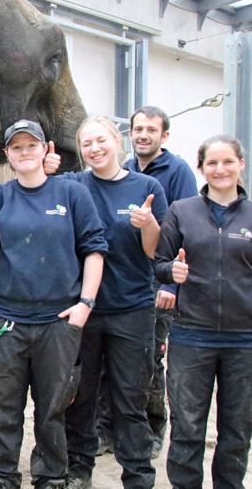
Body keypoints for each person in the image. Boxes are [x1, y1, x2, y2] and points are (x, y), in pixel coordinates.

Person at [0, 120, 107, 489]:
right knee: (3, 407)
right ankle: (1, 475)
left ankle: (51, 475)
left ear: (46, 150)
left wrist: (85, 304)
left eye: (32, 145)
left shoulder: (72, 195)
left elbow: (93, 249)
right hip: (4, 323)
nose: (24, 152)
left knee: (54, 408)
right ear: (7, 155)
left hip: (57, 322)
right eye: (17, 147)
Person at [61, 117, 167, 489]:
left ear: (116, 142)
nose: (94, 148)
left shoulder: (147, 186)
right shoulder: (73, 185)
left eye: (101, 140)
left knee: (130, 400)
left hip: (132, 310)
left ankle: (137, 474)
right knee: (81, 396)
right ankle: (79, 469)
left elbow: (156, 253)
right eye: (86, 143)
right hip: (83, 310)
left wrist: (148, 224)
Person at [154, 134, 252, 489]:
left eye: (228, 162)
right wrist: (171, 274)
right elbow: (160, 264)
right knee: (187, 426)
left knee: (238, 429)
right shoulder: (182, 211)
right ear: (201, 168)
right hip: (190, 335)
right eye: (212, 163)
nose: (220, 169)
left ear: (241, 164)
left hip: (245, 341)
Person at [121, 106, 198, 458]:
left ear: (164, 136)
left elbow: (185, 230)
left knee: (151, 357)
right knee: (119, 359)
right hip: (127, 278)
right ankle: (112, 428)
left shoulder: (178, 171)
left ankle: (154, 427)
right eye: (138, 128)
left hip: (159, 280)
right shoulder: (125, 168)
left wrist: (170, 285)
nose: (143, 135)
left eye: (151, 130)